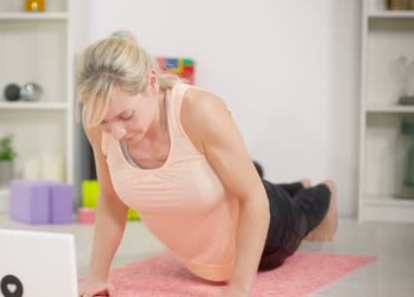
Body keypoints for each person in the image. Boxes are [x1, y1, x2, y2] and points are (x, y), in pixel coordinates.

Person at [76, 31, 338, 297]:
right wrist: (97, 276)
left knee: (301, 214)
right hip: (206, 239)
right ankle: (295, 185)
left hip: (268, 229)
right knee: (252, 179)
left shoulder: (198, 110)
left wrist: (238, 288)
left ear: (151, 83)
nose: (117, 132)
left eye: (126, 115)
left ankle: (324, 190)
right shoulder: (96, 120)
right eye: (106, 122)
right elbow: (110, 199)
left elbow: (254, 199)